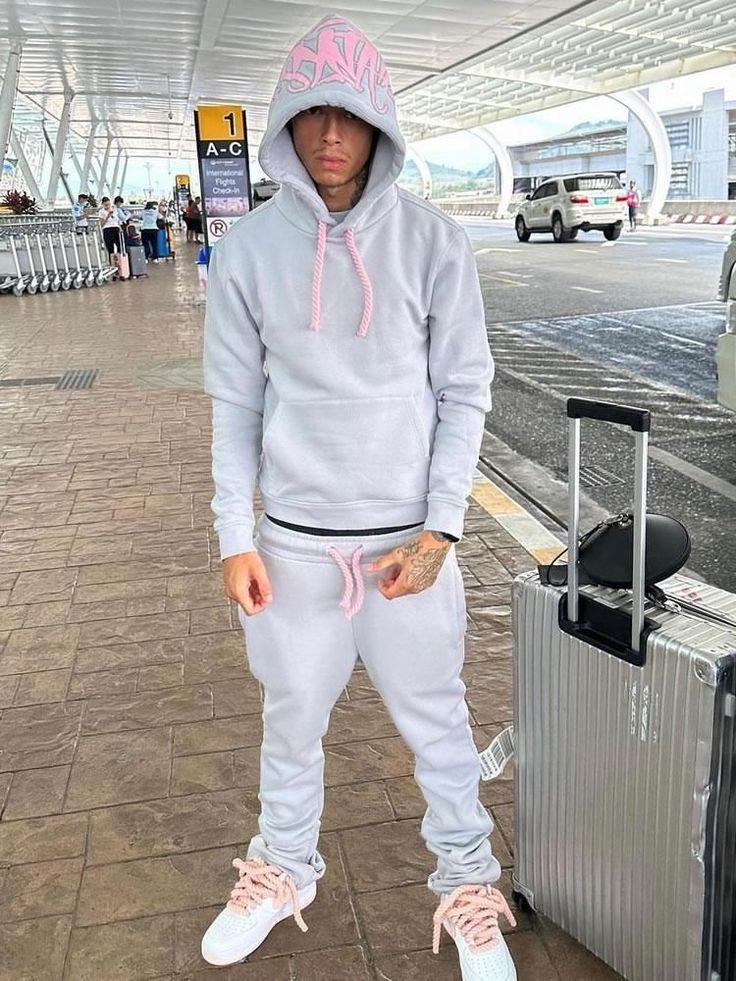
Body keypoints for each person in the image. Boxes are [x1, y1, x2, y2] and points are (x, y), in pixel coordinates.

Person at [201, 14, 515, 981]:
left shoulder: (433, 243)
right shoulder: (247, 251)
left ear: (380, 124)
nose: (331, 133)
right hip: (294, 547)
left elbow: (466, 389)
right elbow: (235, 404)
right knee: (290, 722)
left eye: (350, 114)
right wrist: (234, 534)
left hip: (405, 547)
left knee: (440, 725)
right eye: (312, 113)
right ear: (285, 125)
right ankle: (283, 867)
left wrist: (442, 530)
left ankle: (468, 885)